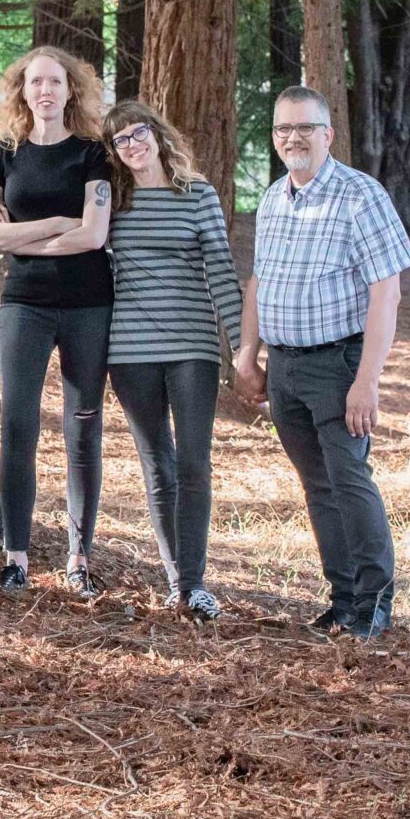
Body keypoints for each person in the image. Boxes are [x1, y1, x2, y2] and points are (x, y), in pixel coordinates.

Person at [236, 84, 410, 641]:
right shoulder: (273, 199)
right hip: (285, 368)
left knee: (349, 479)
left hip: (340, 363)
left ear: (328, 134)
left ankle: (374, 602)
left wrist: (367, 381)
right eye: (283, 129)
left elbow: (388, 293)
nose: (293, 137)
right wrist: (248, 355)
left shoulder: (361, 196)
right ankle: (342, 600)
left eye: (305, 128)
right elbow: (259, 283)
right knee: (316, 484)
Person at [0, 47, 118, 596]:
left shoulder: (93, 154)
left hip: (89, 304)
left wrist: (27, 233)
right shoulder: (2, 154)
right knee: (18, 426)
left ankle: (79, 559)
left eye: (55, 82)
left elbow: (95, 235)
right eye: (34, 82)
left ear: (71, 91)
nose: (45, 92)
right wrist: (62, 220)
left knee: (82, 427)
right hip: (24, 304)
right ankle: (16, 556)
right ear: (21, 91)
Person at [104, 100, 241, 621]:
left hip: (193, 347)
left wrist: (242, 348)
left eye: (138, 133)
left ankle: (195, 583)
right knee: (157, 463)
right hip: (130, 350)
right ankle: (175, 582)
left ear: (158, 135)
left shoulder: (197, 195)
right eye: (120, 140)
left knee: (193, 463)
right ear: (114, 153)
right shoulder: (112, 200)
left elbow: (223, 274)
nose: (132, 145)